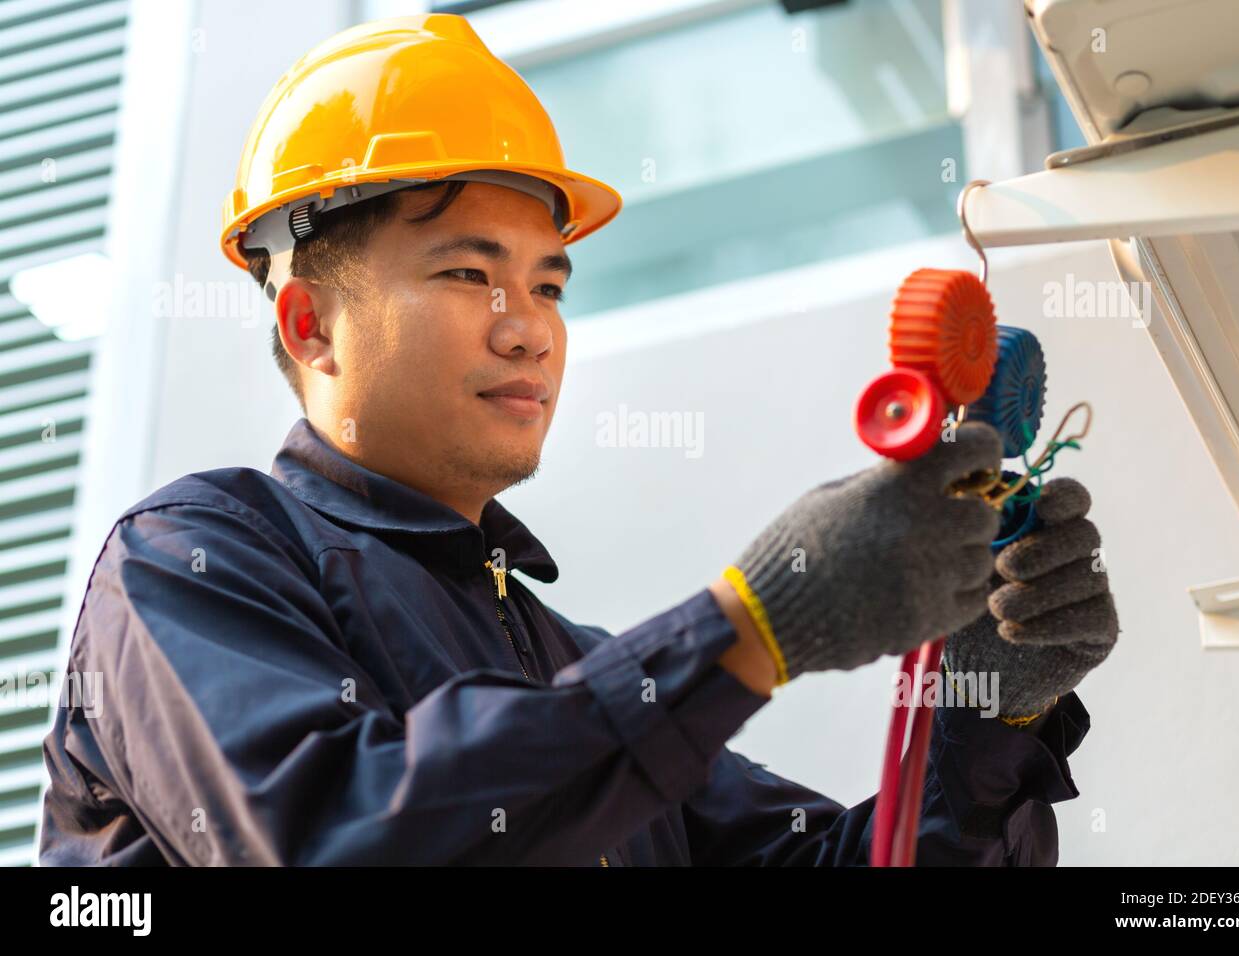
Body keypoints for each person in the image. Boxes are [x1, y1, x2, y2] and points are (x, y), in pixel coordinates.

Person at [39, 14, 1118, 866]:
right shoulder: (188, 560)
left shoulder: (567, 664)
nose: (528, 327)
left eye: (546, 284)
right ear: (310, 321)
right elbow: (333, 836)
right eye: (469, 273)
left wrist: (987, 706)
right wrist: (755, 621)